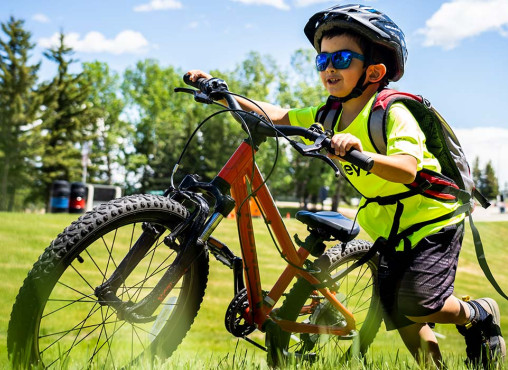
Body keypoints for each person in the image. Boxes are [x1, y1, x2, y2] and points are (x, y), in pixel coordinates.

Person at [187, 4, 505, 368]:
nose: (329, 68)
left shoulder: (392, 111)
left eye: (340, 58)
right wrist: (221, 92)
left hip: (432, 220)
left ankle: (477, 313)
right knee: (399, 315)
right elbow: (276, 115)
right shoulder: (329, 115)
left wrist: (361, 152)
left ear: (374, 71)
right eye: (322, 61)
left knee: (418, 304)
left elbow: (406, 169)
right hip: (387, 224)